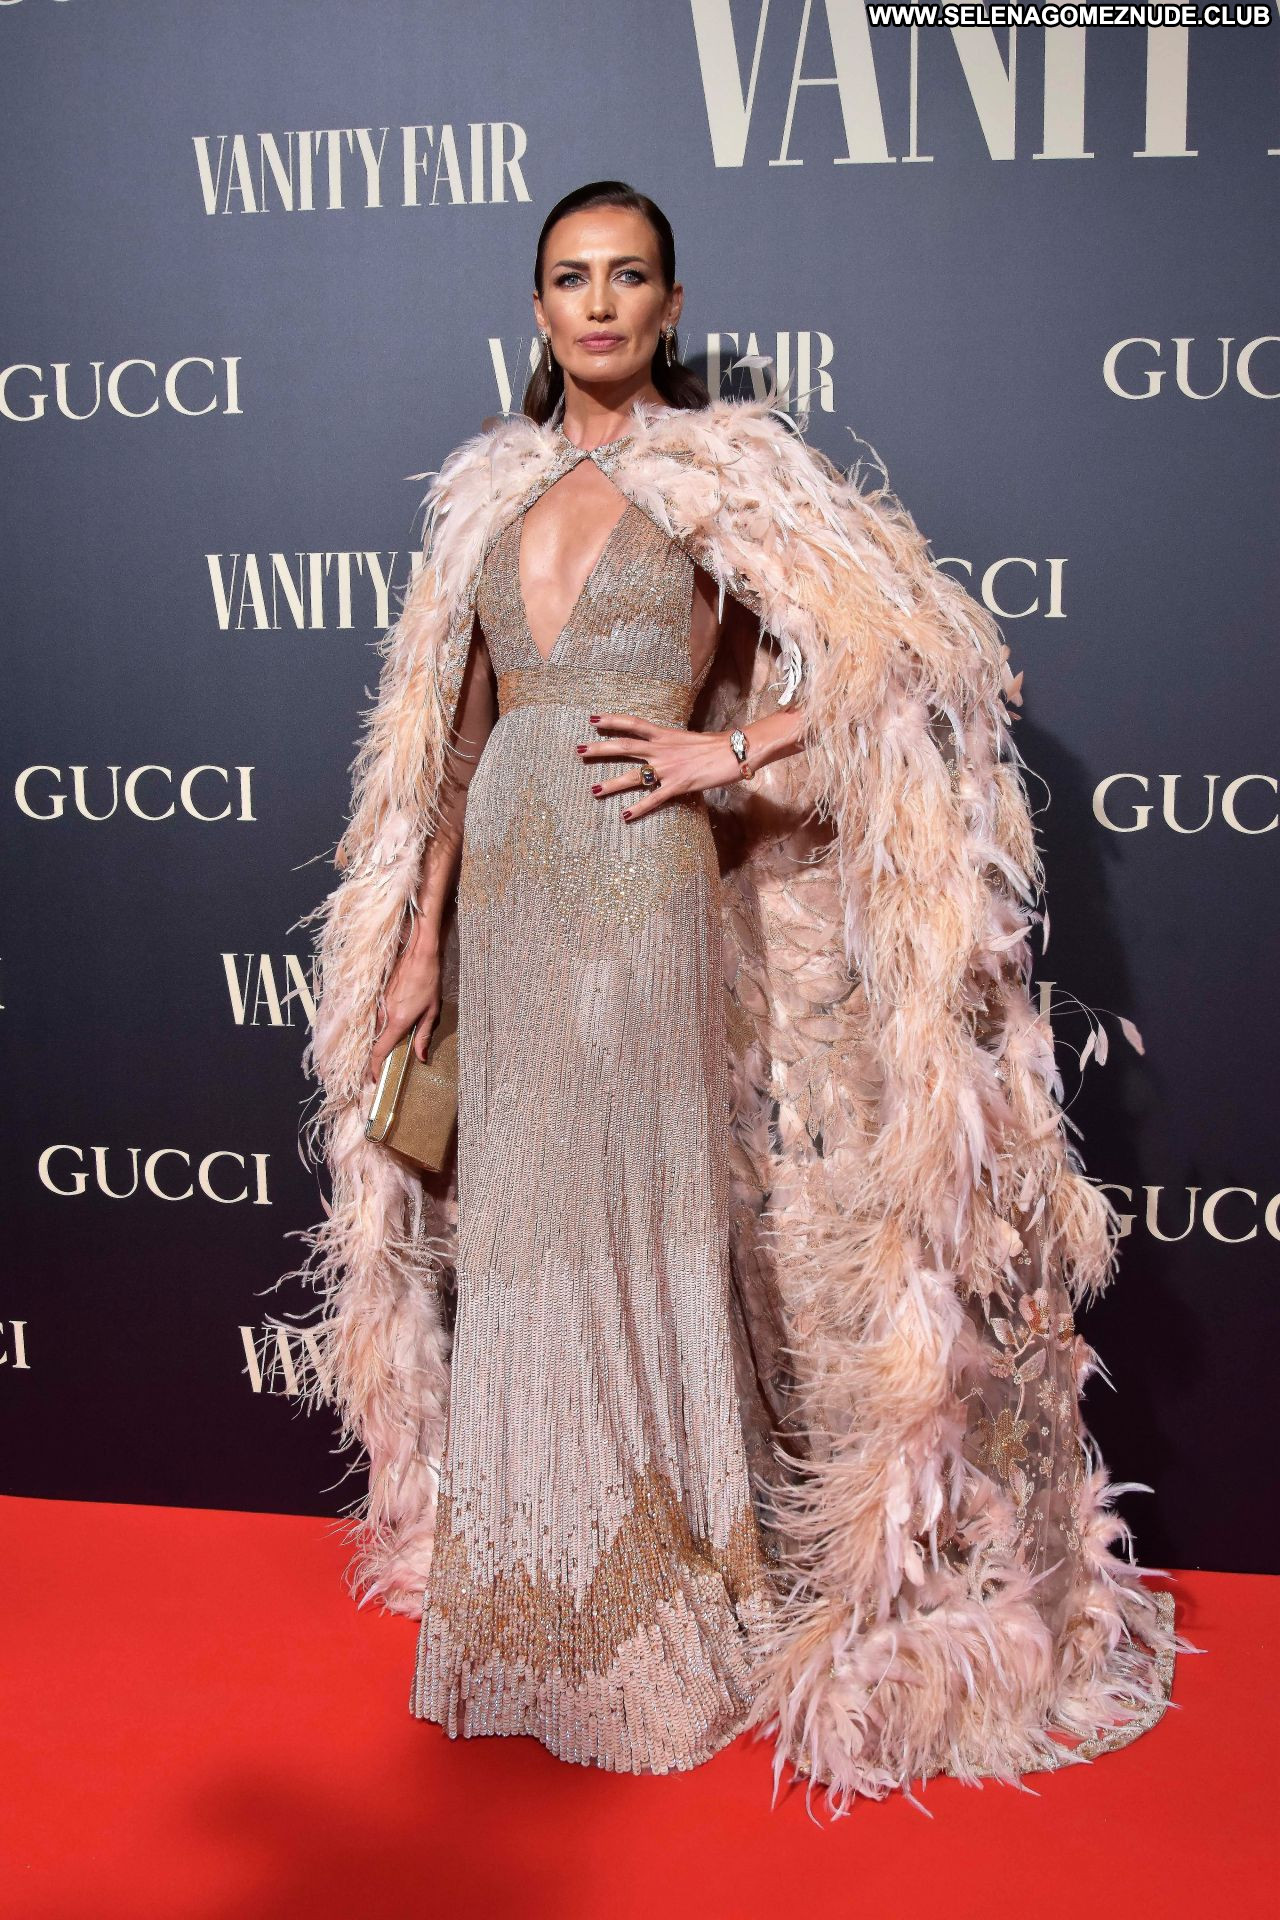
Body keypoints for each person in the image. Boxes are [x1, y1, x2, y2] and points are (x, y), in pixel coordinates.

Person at [278, 180, 1190, 1813]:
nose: (600, 303)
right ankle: (534, 1584)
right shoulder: (489, 489)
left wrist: (732, 749)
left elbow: (912, 653)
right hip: (504, 890)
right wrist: (417, 949)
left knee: (637, 1217)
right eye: (572, 277)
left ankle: (668, 1592)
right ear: (537, 305)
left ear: (673, 305)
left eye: (629, 276)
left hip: (640, 881)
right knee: (526, 1229)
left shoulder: (726, 478)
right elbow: (458, 743)